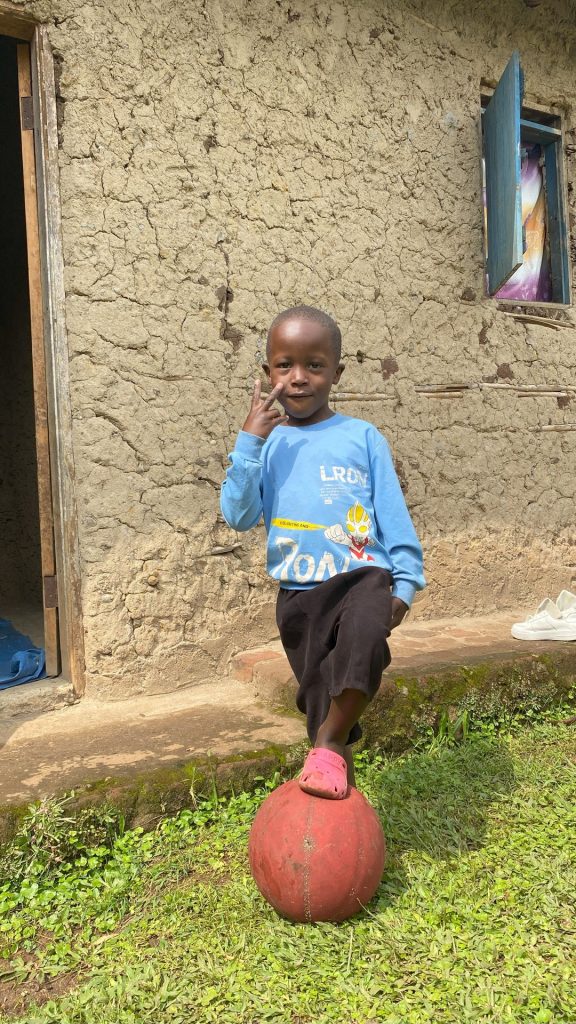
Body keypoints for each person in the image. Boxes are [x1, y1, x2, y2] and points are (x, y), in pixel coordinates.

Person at [220, 305, 425, 799]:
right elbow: (239, 515)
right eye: (283, 364)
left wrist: (406, 581)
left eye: (314, 365)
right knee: (320, 705)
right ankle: (339, 801)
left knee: (364, 644)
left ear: (337, 371)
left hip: (362, 575)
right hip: (299, 592)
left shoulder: (362, 437)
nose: (297, 378)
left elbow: (392, 512)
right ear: (266, 371)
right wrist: (248, 442)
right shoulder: (266, 445)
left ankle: (331, 742)